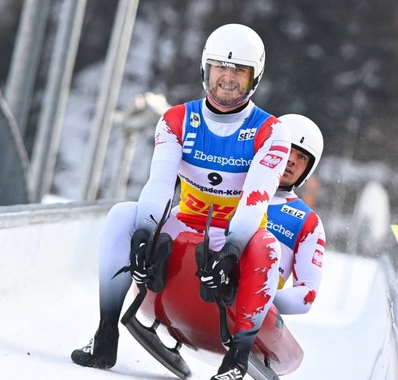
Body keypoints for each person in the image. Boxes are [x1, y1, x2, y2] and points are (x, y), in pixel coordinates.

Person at [71, 23, 290, 380]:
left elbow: (257, 198)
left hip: (238, 232)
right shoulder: (176, 120)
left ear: (255, 78)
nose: (228, 78)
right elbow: (160, 183)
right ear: (205, 70)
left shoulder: (272, 132)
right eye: (220, 67)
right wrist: (144, 232)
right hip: (185, 222)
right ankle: (105, 334)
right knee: (123, 215)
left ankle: (236, 358)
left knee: (267, 247)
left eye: (239, 71)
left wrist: (233, 248)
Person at [268, 114, 326, 315]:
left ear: (308, 169)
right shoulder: (231, 185)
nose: (291, 160)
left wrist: (255, 297)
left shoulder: (308, 223)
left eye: (301, 156)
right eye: (287, 149)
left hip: (247, 308)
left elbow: (306, 295)